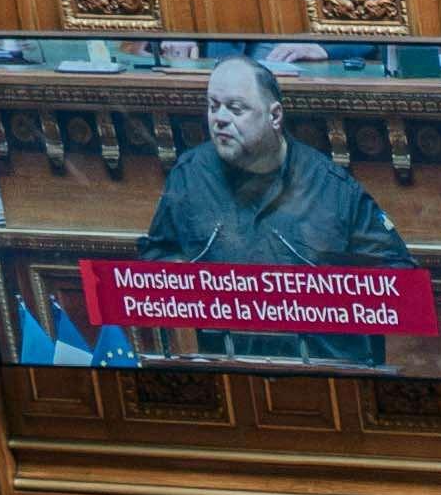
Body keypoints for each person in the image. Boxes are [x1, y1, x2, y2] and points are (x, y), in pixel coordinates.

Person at [129, 54, 412, 364]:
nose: (219, 118)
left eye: (236, 109)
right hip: (229, 367)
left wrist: (325, 297)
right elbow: (155, 259)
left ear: (274, 116)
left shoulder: (332, 189)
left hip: (325, 372)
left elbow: (401, 279)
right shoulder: (190, 176)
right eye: (213, 106)